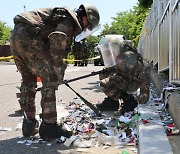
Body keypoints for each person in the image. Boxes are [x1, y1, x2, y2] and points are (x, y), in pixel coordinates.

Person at [10, 3, 100, 140]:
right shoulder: (70, 19)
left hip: (16, 35)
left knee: (28, 81)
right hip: (30, 35)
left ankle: (29, 126)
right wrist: (57, 69)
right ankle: (49, 126)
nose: (86, 29)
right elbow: (58, 38)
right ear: (86, 18)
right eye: (89, 25)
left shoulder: (59, 16)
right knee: (50, 79)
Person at [96, 39, 150, 114]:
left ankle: (129, 101)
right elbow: (112, 69)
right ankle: (112, 102)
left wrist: (143, 95)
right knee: (104, 77)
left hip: (135, 82)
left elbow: (143, 76)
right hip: (129, 79)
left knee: (106, 82)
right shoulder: (121, 57)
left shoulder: (127, 58)